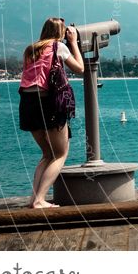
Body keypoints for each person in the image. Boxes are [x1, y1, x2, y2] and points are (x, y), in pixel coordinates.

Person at [19, 17, 84, 208]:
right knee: (60, 154)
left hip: (27, 103)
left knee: (47, 154)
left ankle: (34, 199)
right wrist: (72, 42)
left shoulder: (30, 49)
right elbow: (80, 68)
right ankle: (40, 199)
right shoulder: (58, 47)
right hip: (48, 103)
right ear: (61, 32)